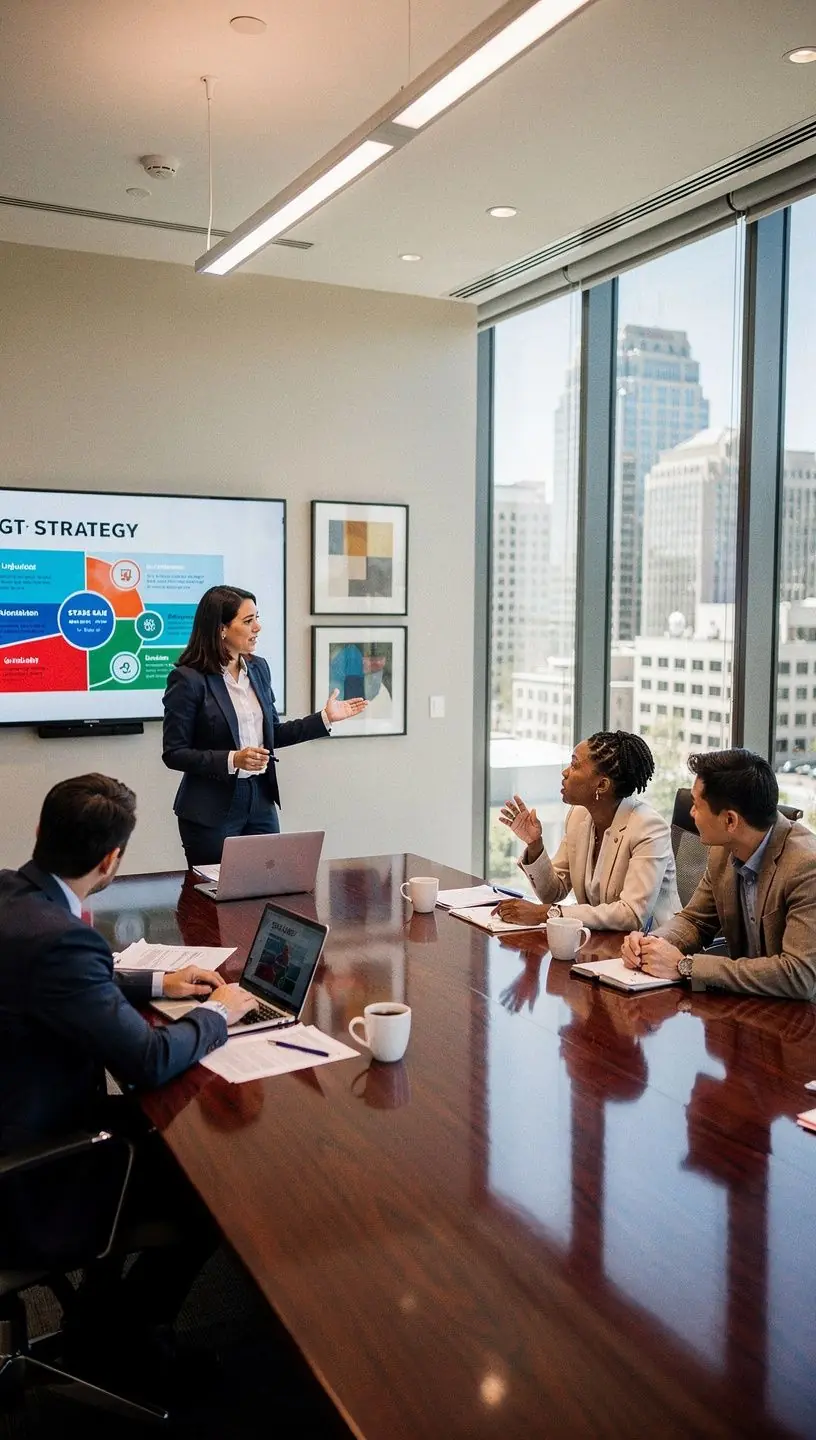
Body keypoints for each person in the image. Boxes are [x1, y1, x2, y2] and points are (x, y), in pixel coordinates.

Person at [0, 773, 255, 1350]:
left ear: (41, 830)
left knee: (155, 1130)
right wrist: (217, 1012)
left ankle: (97, 1306)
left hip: (18, 1116)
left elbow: (53, 980)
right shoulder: (62, 940)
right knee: (212, 1182)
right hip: (29, 1171)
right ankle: (124, 1333)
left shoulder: (12, 895)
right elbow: (147, 1061)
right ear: (112, 861)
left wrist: (157, 980)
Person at [162, 585, 368, 866]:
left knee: (269, 887)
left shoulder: (259, 669)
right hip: (211, 809)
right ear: (221, 628)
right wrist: (234, 759)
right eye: (248, 621)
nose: (257, 627)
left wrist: (325, 718)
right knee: (214, 900)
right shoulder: (188, 679)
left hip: (260, 799)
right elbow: (174, 753)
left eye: (256, 618)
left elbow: (273, 733)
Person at [621, 748, 816, 1000]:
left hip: (800, 1020)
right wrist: (652, 945)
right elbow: (695, 921)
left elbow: (798, 974)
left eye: (697, 805)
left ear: (730, 821)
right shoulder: (723, 851)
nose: (691, 814)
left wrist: (687, 967)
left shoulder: (806, 866)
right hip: (747, 1006)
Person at [494, 730, 680, 933]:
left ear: (601, 785)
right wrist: (534, 844)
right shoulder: (578, 817)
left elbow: (631, 915)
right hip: (599, 942)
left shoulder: (648, 828)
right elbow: (553, 893)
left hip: (653, 946)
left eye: (574, 765)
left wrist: (547, 914)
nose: (565, 772)